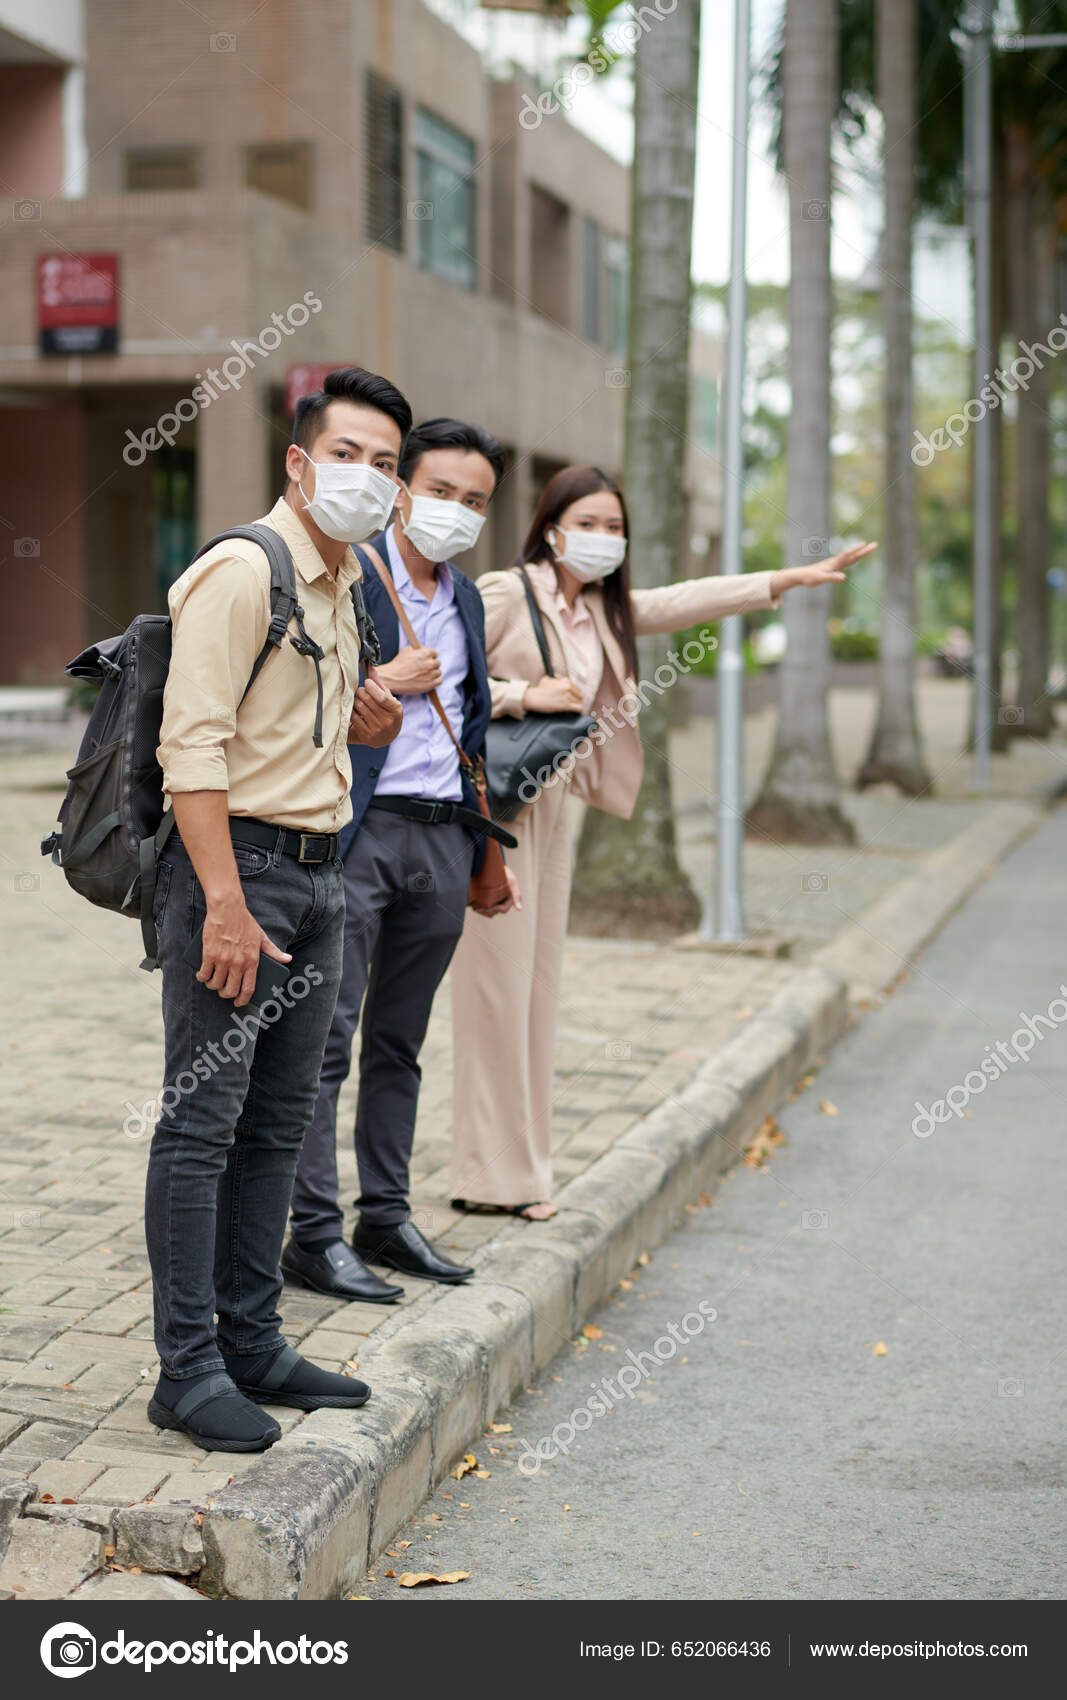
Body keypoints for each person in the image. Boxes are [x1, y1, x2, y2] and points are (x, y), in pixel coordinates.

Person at [449, 463, 875, 1220]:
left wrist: (789, 578)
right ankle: (492, 1178)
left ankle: (524, 1167)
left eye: (615, 528)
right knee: (495, 993)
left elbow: (681, 601)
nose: (602, 539)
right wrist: (523, 694)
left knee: (538, 992)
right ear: (550, 528)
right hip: (495, 809)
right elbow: (451, 685)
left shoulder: (603, 611)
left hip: (554, 802)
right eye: (588, 523)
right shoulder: (505, 593)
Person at [146, 366, 408, 1452]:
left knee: (277, 1122)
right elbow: (190, 747)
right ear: (299, 462)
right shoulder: (241, 569)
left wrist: (366, 723)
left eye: (386, 464)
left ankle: (254, 1339)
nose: (369, 478)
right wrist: (218, 902)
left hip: (319, 871)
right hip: (237, 873)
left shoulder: (342, 584)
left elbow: (296, 726)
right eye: (347, 455)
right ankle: (188, 1367)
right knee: (202, 1124)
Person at [282, 418, 519, 1301]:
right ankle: (311, 1232)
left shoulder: (463, 597)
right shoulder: (350, 573)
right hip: (360, 830)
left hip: (443, 834)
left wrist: (480, 841)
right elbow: (295, 691)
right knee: (325, 1039)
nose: (456, 512)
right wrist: (385, 686)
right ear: (401, 488)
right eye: (441, 491)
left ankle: (383, 1215)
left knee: (400, 1040)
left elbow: (474, 718)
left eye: (475, 501)